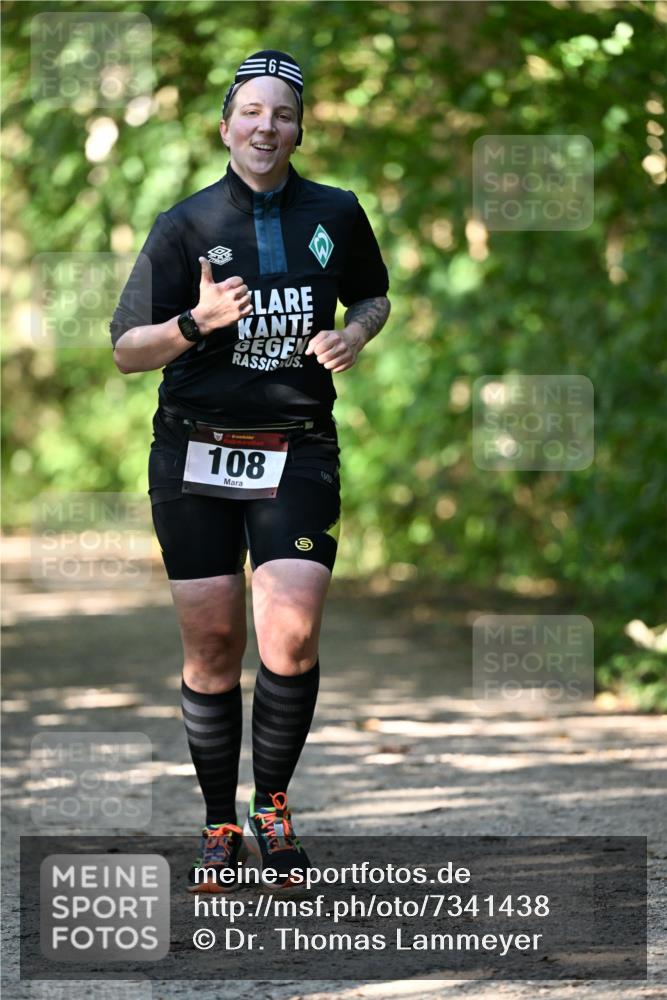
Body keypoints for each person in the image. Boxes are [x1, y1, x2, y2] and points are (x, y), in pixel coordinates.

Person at [110, 50, 390, 892]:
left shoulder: (337, 211)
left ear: (299, 129)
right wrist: (194, 323)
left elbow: (372, 295)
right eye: (252, 113)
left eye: (283, 114)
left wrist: (353, 334)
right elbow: (127, 350)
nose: (267, 127)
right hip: (193, 447)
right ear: (225, 126)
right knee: (213, 643)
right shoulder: (183, 225)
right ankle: (218, 824)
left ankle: (271, 809)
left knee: (291, 631)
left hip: (296, 445)